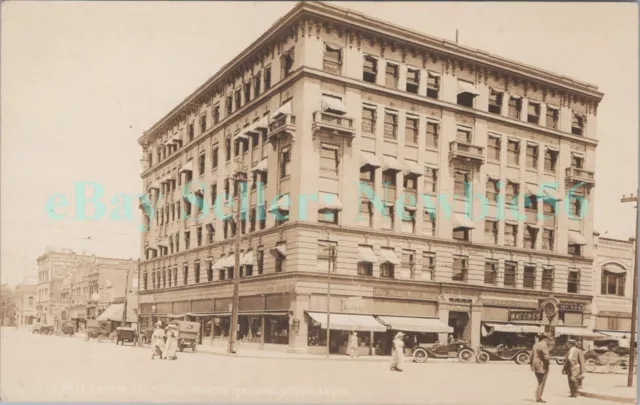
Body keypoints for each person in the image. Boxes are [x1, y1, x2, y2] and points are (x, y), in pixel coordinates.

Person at [530, 332, 552, 403]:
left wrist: (532, 365)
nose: (549, 340)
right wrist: (549, 358)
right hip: (542, 366)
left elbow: (531, 356)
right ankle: (538, 398)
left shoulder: (536, 344)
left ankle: (538, 396)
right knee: (541, 382)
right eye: (549, 339)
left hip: (535, 366)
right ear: (545, 338)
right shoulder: (544, 345)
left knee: (539, 381)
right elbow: (546, 357)